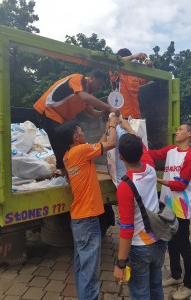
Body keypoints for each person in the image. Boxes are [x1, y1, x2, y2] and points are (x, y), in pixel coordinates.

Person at [56, 115, 118, 300]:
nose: (83, 132)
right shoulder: (81, 151)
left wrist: (107, 128)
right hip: (88, 219)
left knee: (82, 266)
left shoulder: (69, 155)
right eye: (80, 130)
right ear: (75, 137)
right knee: (90, 271)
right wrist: (114, 126)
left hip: (79, 218)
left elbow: (99, 145)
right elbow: (112, 143)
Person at [114, 119, 167, 300]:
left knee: (140, 293)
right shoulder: (150, 168)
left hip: (140, 247)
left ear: (120, 157)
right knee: (156, 286)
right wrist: (128, 127)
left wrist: (120, 263)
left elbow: (127, 228)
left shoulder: (125, 186)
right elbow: (141, 144)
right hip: (159, 241)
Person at [148, 122, 191, 300]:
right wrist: (134, 134)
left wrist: (157, 179)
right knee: (170, 242)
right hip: (167, 205)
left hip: (182, 208)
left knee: (184, 246)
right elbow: (151, 154)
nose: (176, 132)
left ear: (189, 134)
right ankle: (176, 276)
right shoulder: (171, 150)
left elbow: (180, 185)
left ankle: (189, 284)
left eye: (180, 130)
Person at [33, 69, 118, 173]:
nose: (99, 87)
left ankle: (69, 172)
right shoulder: (78, 79)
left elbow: (90, 112)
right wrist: (109, 107)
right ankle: (66, 175)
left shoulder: (89, 94)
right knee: (59, 144)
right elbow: (85, 98)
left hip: (60, 118)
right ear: (92, 78)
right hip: (47, 110)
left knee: (68, 143)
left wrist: (103, 112)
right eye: (99, 83)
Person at [109, 48, 153, 119]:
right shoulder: (115, 73)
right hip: (121, 116)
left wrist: (148, 65)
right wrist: (133, 56)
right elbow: (116, 62)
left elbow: (147, 78)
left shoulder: (134, 74)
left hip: (136, 116)